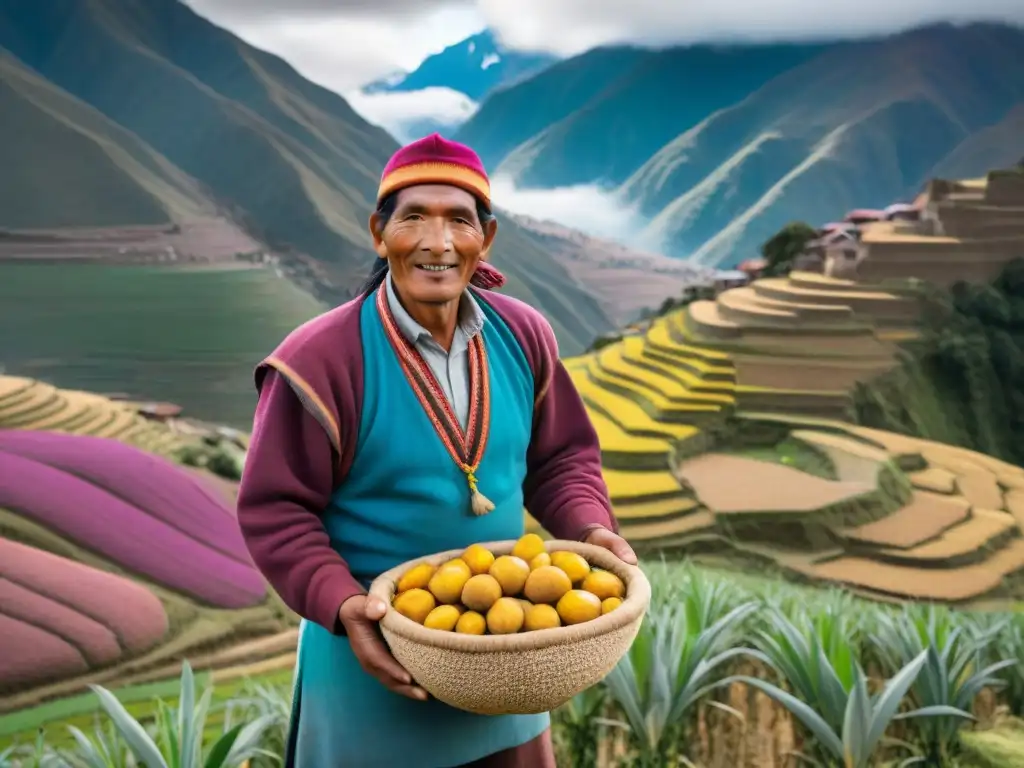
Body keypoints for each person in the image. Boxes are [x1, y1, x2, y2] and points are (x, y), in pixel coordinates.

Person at [236, 133, 636, 767]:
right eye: (414, 217)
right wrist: (346, 608)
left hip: (509, 660)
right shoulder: (319, 362)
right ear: (378, 232)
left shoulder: (524, 334)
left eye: (458, 220)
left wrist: (593, 528)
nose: (437, 242)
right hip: (371, 670)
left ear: (487, 238)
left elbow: (562, 461)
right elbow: (276, 511)